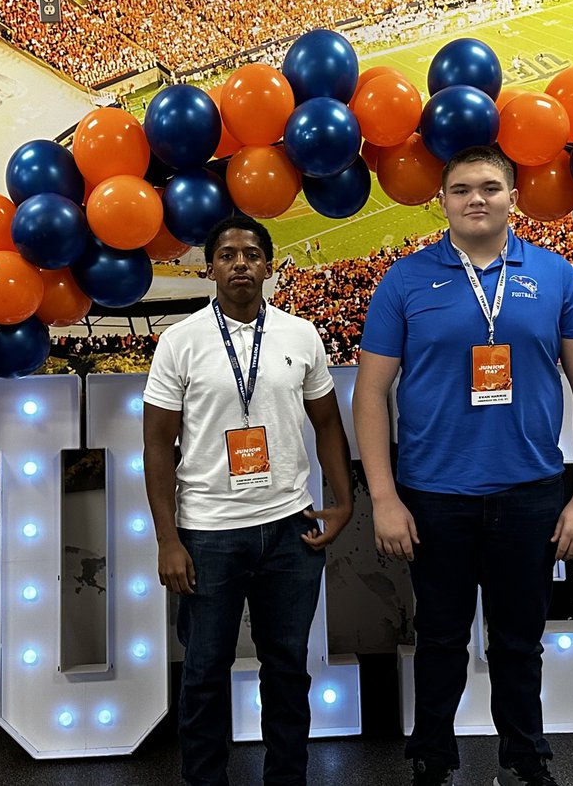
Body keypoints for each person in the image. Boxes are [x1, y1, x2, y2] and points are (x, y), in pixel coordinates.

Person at [353, 145, 573, 786]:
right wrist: (383, 498)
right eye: (462, 188)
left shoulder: (555, 276)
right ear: (441, 200)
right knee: (439, 638)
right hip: (432, 495)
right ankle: (432, 758)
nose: (477, 198)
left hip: (530, 492)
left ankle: (526, 757)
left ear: (512, 196)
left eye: (490, 187)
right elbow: (368, 392)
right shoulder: (405, 280)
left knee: (521, 641)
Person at [143, 215, 354, 786]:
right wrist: (167, 538)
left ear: (268, 264)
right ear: (210, 266)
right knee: (205, 673)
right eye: (229, 255)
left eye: (252, 254)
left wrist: (343, 502)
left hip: (291, 527)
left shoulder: (300, 334)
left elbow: (330, 424)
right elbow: (157, 444)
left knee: (287, 671)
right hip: (207, 533)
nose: (241, 263)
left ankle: (287, 778)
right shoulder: (181, 343)